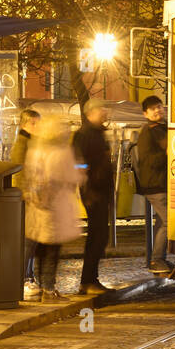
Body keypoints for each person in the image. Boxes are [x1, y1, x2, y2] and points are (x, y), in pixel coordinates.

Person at [22, 114, 84, 302]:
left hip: (37, 206)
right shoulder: (61, 152)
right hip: (55, 207)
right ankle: (48, 289)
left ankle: (33, 285)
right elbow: (72, 177)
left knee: (37, 248)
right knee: (52, 250)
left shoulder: (35, 150)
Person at [73, 98, 115, 295]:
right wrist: (86, 186)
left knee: (100, 236)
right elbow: (78, 163)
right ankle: (87, 280)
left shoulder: (98, 133)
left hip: (101, 190)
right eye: (101, 110)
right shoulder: (84, 135)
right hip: (93, 191)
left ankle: (91, 279)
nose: (104, 112)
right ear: (90, 113)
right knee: (97, 236)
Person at [135, 94, 170, 275]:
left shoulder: (162, 128)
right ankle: (156, 260)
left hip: (160, 183)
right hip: (155, 185)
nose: (157, 110)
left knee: (161, 222)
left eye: (159, 106)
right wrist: (167, 153)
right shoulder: (149, 132)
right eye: (153, 108)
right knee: (169, 222)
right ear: (145, 114)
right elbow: (148, 161)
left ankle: (159, 259)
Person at [10, 108, 40, 289]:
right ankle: (23, 277)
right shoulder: (22, 143)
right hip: (27, 197)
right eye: (33, 123)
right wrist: (26, 192)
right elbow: (18, 169)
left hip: (31, 195)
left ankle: (28, 275)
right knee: (28, 240)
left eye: (38, 123)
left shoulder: (30, 142)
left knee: (31, 239)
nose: (36, 127)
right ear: (23, 124)